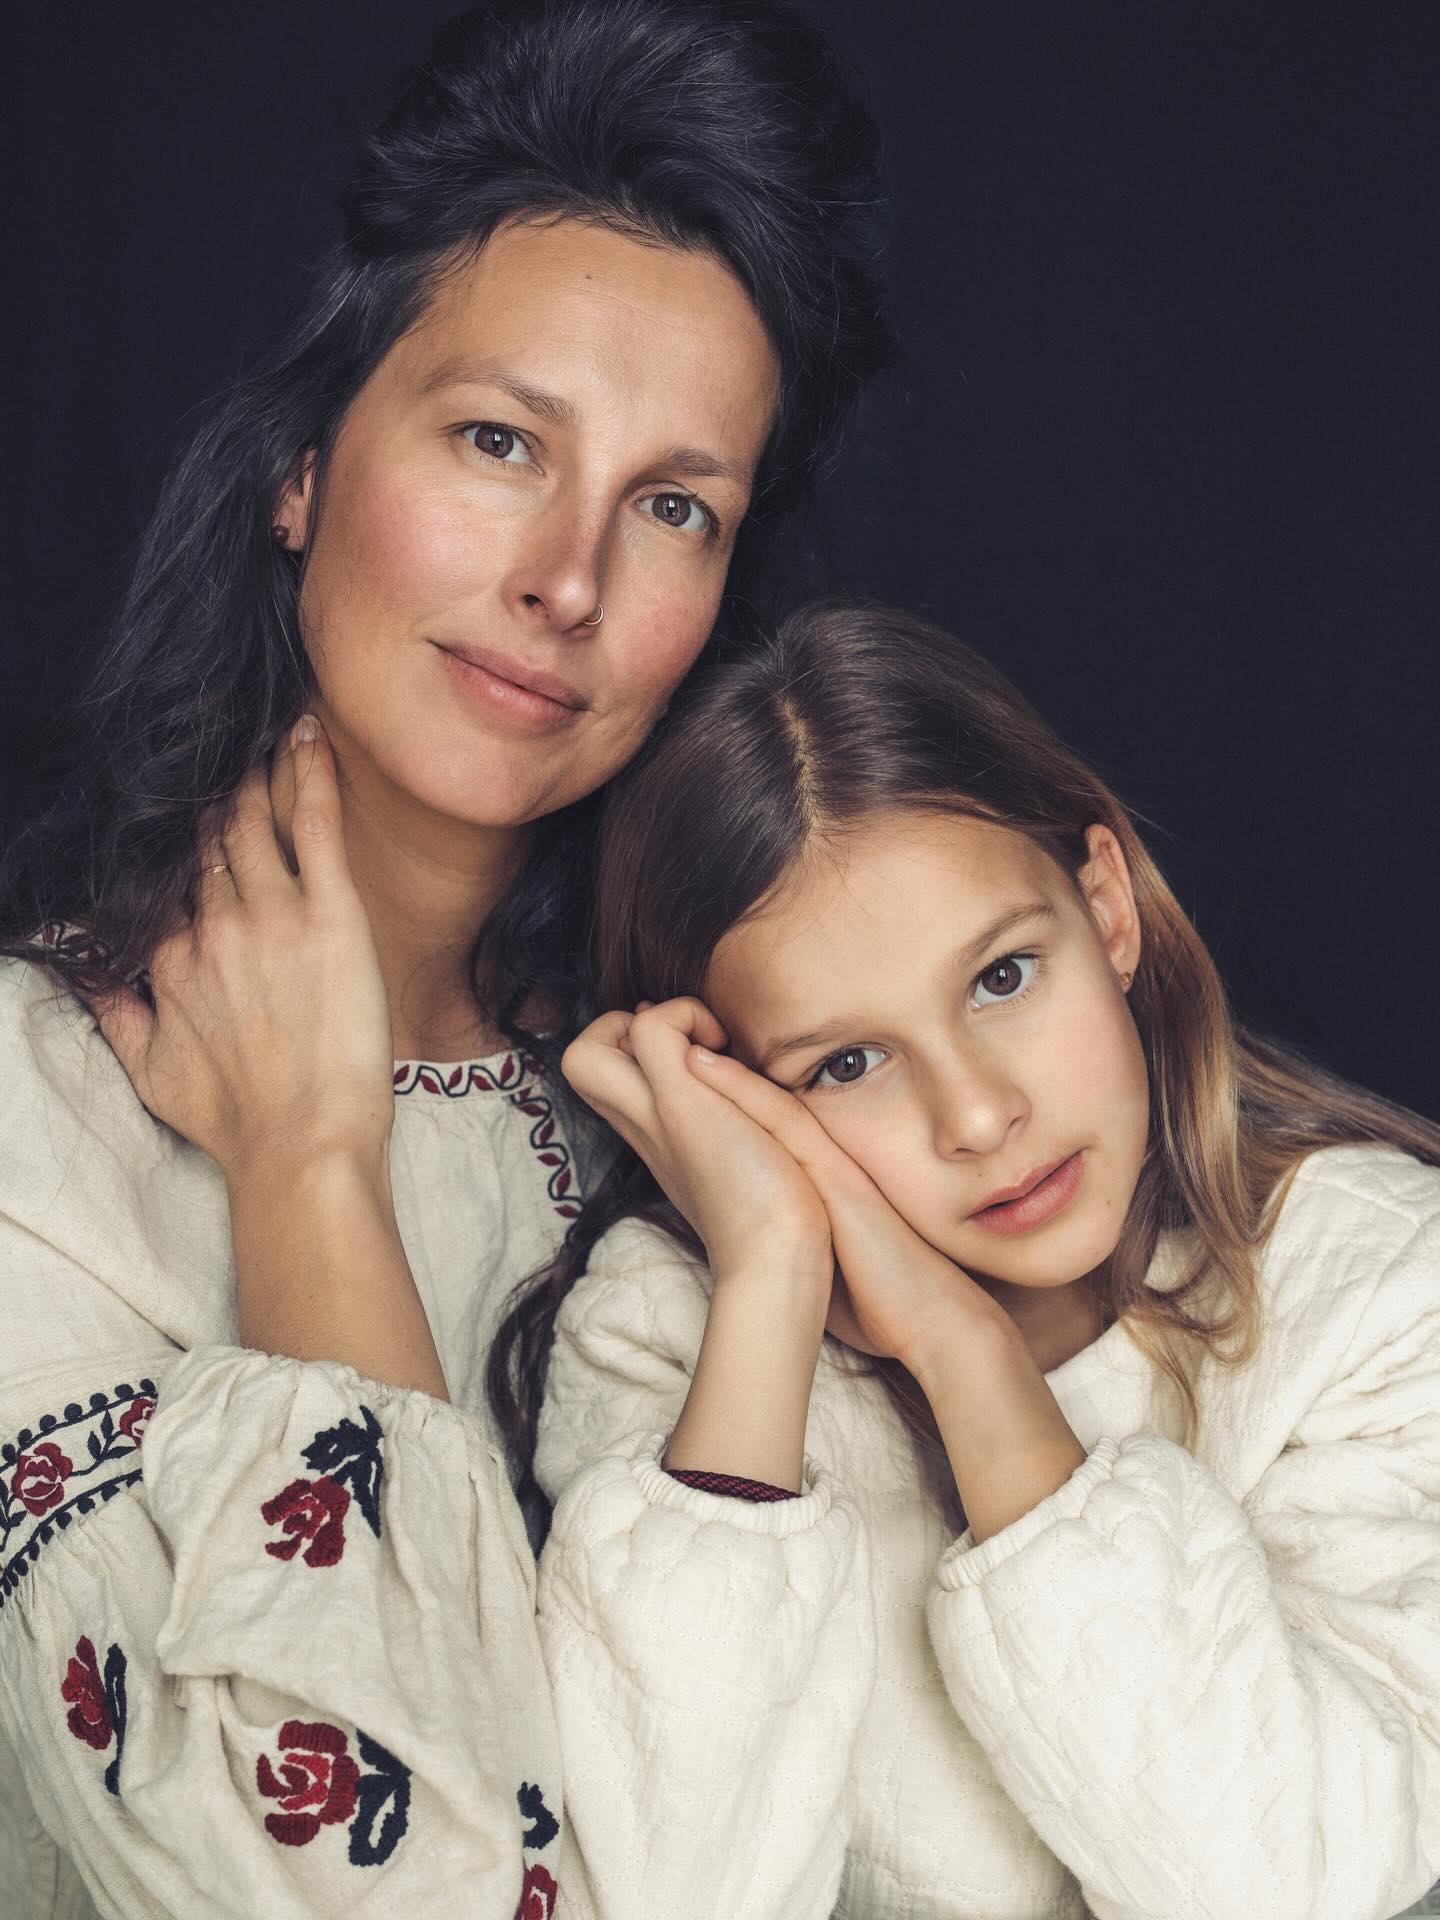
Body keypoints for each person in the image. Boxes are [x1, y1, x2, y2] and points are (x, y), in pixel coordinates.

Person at [0, 2, 890, 1911]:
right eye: (500, 440)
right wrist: (311, 1169)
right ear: (301, 468)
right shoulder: (28, 1115)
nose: (568, 577)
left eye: (674, 507)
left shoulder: (717, 1119)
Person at [513, 600, 1440, 1918]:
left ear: (1107, 909)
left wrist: (966, 1359)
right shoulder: (679, 1331)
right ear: (732, 1093)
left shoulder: (1373, 1283)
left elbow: (1284, 1880)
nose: (978, 1116)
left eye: (1002, 978)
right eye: (847, 1062)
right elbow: (661, 1892)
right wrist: (771, 1274)